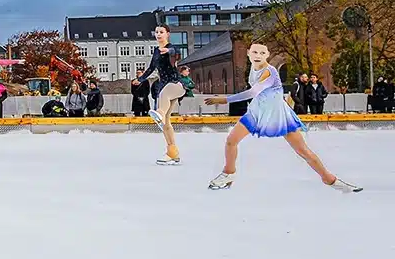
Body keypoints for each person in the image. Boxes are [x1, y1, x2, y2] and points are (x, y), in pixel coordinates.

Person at [203, 43, 361, 193]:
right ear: (248, 53)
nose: (258, 55)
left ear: (267, 55)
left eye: (262, 53)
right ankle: (228, 173)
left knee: (303, 150)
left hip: (278, 115)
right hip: (257, 112)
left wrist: (224, 100)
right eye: (255, 52)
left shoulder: (270, 71)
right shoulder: (253, 67)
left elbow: (253, 92)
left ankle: (328, 178)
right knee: (231, 141)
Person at [132, 25, 185, 166]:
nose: (158, 34)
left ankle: (159, 112)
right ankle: (172, 152)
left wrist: (168, 51)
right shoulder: (156, 51)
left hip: (176, 85)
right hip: (164, 86)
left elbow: (177, 53)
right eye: (156, 32)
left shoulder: (171, 48)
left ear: (167, 34)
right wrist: (140, 79)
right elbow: (151, 68)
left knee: (165, 94)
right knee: (166, 122)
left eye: (161, 32)